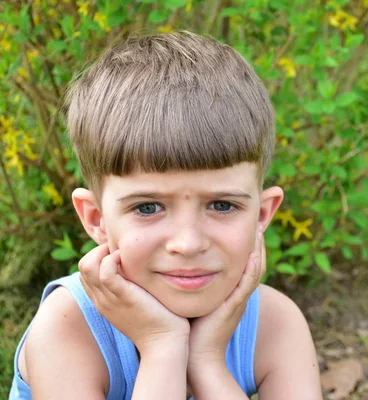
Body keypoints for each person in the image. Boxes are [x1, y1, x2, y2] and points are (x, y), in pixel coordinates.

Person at [9, 31, 322, 399]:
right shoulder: (69, 327)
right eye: (147, 207)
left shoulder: (276, 324)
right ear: (96, 219)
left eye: (222, 205)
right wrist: (162, 346)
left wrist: (206, 361)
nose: (188, 243)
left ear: (262, 214)